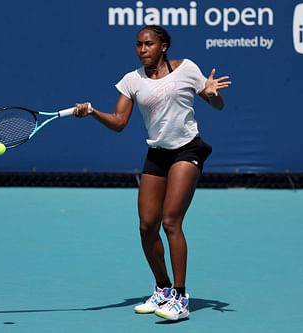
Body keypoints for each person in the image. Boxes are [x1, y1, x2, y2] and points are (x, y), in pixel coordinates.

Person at [73, 25, 231, 321]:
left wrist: (212, 94)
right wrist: (93, 112)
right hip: (157, 154)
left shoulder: (187, 69)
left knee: (171, 221)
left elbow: (217, 104)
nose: (142, 49)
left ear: (164, 46)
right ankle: (162, 287)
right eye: (138, 45)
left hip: (187, 149)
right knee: (147, 226)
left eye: (148, 44)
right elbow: (119, 122)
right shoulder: (131, 80)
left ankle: (181, 298)